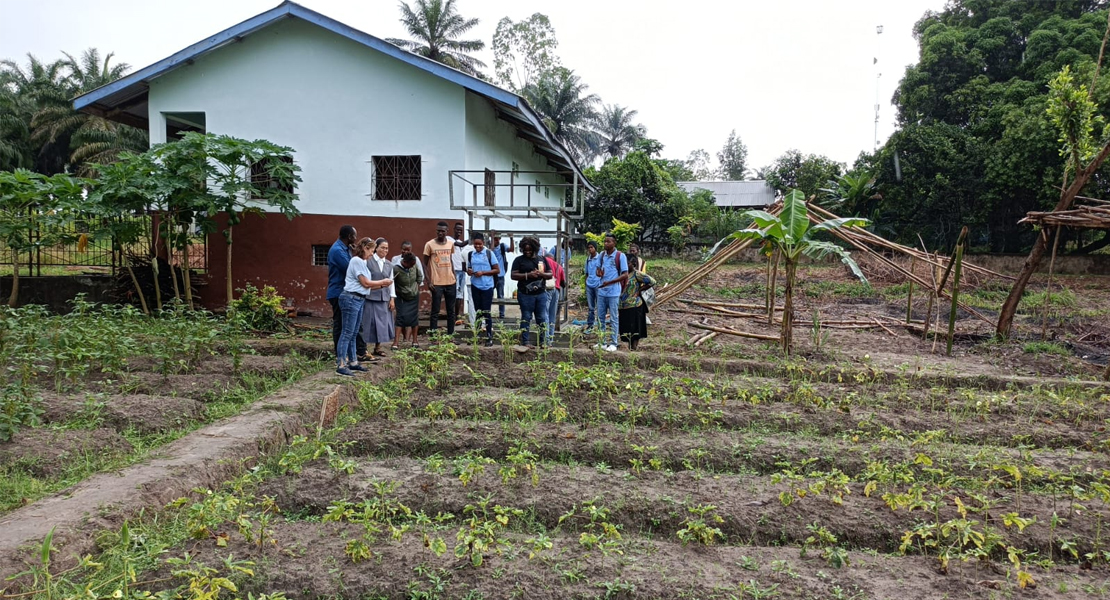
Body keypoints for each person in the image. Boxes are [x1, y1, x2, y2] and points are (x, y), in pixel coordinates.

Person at [336, 238, 381, 376]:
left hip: (359, 298)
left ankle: (353, 362)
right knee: (347, 332)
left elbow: (365, 286)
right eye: (372, 251)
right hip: (351, 298)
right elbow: (366, 283)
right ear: (365, 248)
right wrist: (383, 282)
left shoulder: (363, 263)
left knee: (354, 333)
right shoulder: (356, 261)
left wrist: (383, 284)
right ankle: (341, 364)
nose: (372, 254)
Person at [327, 225, 367, 360]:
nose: (356, 239)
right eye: (354, 236)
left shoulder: (346, 249)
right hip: (338, 292)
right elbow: (350, 269)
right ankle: (340, 355)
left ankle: (351, 354)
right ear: (349, 237)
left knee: (350, 325)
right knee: (341, 325)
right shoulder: (338, 250)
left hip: (345, 292)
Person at [510, 236, 551, 348]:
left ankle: (543, 342)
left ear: (535, 249)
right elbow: (513, 275)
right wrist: (528, 275)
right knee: (526, 317)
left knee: (541, 318)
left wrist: (541, 274)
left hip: (541, 294)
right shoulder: (519, 260)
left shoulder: (542, 259)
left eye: (529, 250)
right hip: (525, 294)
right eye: (525, 250)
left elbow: (550, 274)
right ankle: (525, 341)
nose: (527, 252)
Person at [361, 237, 395, 357]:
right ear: (376, 248)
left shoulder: (389, 264)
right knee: (368, 322)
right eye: (382, 248)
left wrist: (392, 298)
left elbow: (391, 283)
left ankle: (378, 347)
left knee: (381, 324)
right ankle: (363, 349)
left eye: (387, 248)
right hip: (370, 297)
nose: (385, 250)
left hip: (383, 298)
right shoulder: (368, 262)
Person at [423, 221, 457, 336]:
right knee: (435, 311)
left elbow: (450, 259)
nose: (440, 233)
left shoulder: (450, 244)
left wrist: (454, 275)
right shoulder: (429, 244)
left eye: (443, 231)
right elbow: (424, 264)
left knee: (451, 311)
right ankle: (433, 336)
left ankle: (451, 335)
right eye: (438, 231)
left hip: (450, 282)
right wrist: (428, 281)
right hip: (436, 283)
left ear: (447, 232)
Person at [596, 234, 629, 352]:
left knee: (614, 318)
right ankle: (602, 341)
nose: (606, 244)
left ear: (614, 243)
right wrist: (598, 274)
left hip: (614, 292)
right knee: (600, 318)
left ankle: (614, 343)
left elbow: (625, 274)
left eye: (608, 242)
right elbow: (598, 270)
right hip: (601, 291)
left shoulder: (620, 256)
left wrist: (610, 282)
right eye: (605, 241)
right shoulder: (601, 255)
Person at [466, 232, 500, 346]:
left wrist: (483, 273)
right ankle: (477, 336)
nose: (477, 246)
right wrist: (469, 271)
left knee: (486, 311)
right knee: (478, 311)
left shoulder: (489, 253)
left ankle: (489, 336)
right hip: (475, 286)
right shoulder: (471, 254)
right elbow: (469, 268)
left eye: (479, 244)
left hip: (487, 286)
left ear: (483, 243)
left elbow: (496, 270)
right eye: (475, 244)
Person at [619, 255, 656, 351]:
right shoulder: (622, 274)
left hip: (635, 305)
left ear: (634, 264)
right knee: (626, 327)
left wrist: (640, 290)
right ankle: (629, 347)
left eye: (628, 263)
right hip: (623, 305)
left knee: (635, 327)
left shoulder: (637, 274)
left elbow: (652, 281)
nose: (626, 265)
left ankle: (634, 347)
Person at [392, 248, 422, 349]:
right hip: (401, 297)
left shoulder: (414, 265)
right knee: (400, 317)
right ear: (405, 262)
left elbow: (419, 277)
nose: (412, 267)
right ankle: (396, 342)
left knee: (414, 318)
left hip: (414, 296)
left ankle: (415, 341)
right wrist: (397, 291)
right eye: (411, 265)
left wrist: (416, 288)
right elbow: (392, 283)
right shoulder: (396, 268)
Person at [490, 232, 513, 319]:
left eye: (498, 239)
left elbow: (511, 249)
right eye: (495, 239)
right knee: (489, 295)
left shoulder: (502, 246)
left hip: (500, 275)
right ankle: (488, 313)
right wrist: (492, 238)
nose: (497, 241)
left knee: (501, 295)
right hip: (491, 275)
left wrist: (511, 238)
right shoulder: (489, 246)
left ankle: (502, 314)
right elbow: (491, 250)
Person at [543, 251, 565, 341]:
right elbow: (563, 283)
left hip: (547, 289)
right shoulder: (558, 266)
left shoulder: (543, 263)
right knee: (552, 314)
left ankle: (546, 339)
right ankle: (551, 339)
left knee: (545, 313)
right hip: (556, 290)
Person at [451, 221, 468, 325]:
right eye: (457, 229)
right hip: (454, 271)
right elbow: (461, 244)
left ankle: (457, 316)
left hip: (462, 271)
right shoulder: (449, 240)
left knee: (460, 295)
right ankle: (452, 316)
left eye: (461, 230)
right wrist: (471, 239)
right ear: (454, 229)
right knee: (453, 294)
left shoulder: (461, 243)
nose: (459, 232)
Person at [584, 241, 602, 331]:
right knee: (591, 307)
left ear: (595, 248)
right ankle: (590, 324)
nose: (590, 249)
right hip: (589, 285)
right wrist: (586, 284)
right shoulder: (588, 259)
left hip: (598, 285)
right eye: (589, 248)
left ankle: (600, 325)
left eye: (592, 247)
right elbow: (586, 273)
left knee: (599, 306)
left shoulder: (600, 259)